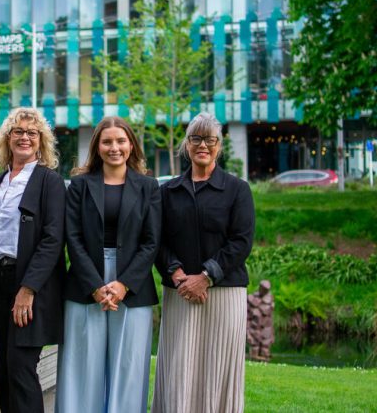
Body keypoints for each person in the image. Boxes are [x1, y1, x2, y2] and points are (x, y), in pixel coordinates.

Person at [56, 116, 161, 413]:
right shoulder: (78, 185)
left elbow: (152, 241)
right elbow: (73, 238)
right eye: (107, 142)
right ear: (97, 147)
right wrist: (94, 285)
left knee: (128, 369)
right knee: (81, 366)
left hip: (132, 285)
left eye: (120, 141)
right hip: (85, 282)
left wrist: (124, 284)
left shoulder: (149, 186)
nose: (114, 147)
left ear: (131, 145)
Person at [152, 112, 255, 413]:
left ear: (219, 146)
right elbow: (156, 240)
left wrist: (206, 275)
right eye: (195, 138)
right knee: (179, 367)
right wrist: (176, 273)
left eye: (210, 139)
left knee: (218, 368)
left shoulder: (238, 190)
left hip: (223, 292)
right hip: (180, 291)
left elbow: (241, 242)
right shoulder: (167, 191)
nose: (203, 145)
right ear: (186, 144)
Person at [0, 107, 66, 413]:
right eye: (18, 131)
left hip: (30, 285)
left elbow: (53, 239)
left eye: (32, 133)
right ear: (7, 138)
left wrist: (28, 289)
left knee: (20, 368)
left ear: (41, 141)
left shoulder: (49, 181)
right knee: (2, 369)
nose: (25, 137)